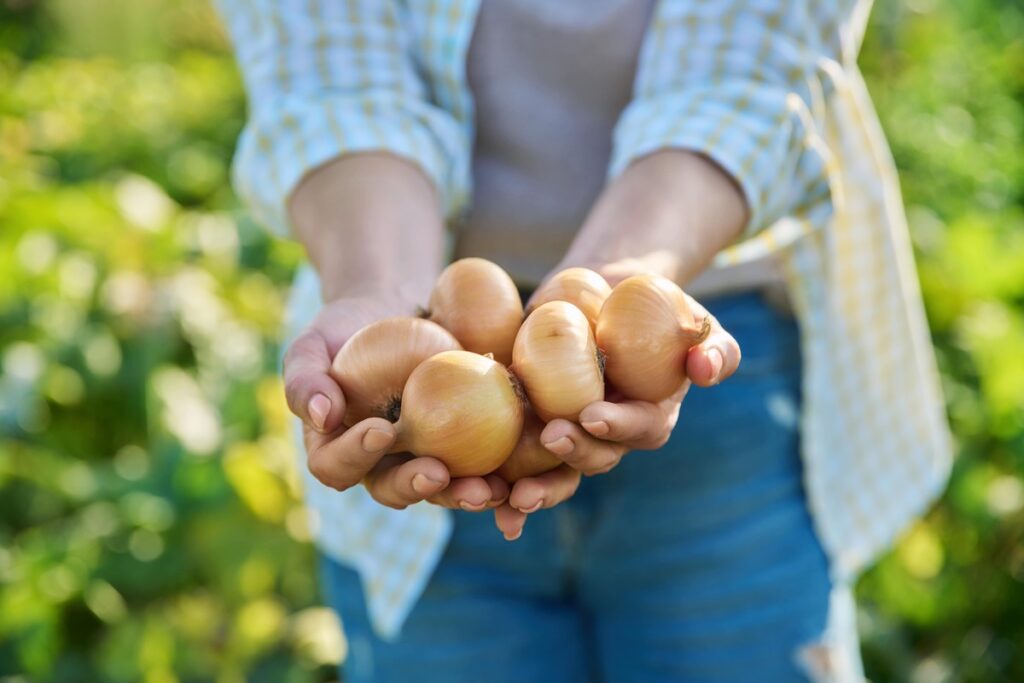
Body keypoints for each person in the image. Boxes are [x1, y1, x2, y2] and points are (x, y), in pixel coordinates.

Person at [215, 1, 952, 681]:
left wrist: (617, 285)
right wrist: (376, 288)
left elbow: (750, 69)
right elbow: (334, 78)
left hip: (722, 377)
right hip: (421, 431)